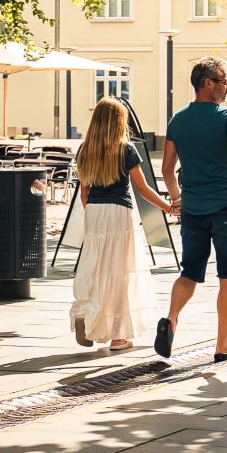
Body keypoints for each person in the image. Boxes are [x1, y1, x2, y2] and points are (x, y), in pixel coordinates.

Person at [156, 57, 227, 363]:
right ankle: (222, 345)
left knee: (190, 272)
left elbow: (167, 168)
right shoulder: (226, 117)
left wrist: (177, 197)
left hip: (192, 210)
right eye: (223, 81)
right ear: (207, 83)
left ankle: (171, 319)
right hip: (224, 208)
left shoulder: (177, 120)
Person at [70, 98, 173, 351]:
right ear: (119, 122)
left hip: (94, 212)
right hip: (119, 213)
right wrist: (168, 206)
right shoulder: (125, 149)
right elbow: (143, 188)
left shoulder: (85, 149)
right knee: (120, 273)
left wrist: (95, 214)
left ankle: (86, 313)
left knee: (95, 268)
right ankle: (117, 336)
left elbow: (84, 193)